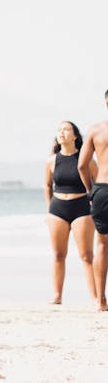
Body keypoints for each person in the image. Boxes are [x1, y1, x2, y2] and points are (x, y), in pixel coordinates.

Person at [45, 121, 97, 306]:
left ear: (75, 136)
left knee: (86, 256)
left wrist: (96, 207)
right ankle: (57, 296)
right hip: (57, 209)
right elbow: (47, 185)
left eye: (66, 129)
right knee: (59, 255)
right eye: (59, 130)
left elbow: (97, 183)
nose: (62, 132)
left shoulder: (86, 159)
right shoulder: (52, 160)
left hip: (82, 208)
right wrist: (50, 208)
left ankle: (95, 296)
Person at [78, 91, 108, 311]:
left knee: (102, 246)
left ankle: (100, 300)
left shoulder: (96, 130)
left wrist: (91, 192)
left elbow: (82, 165)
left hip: (102, 190)